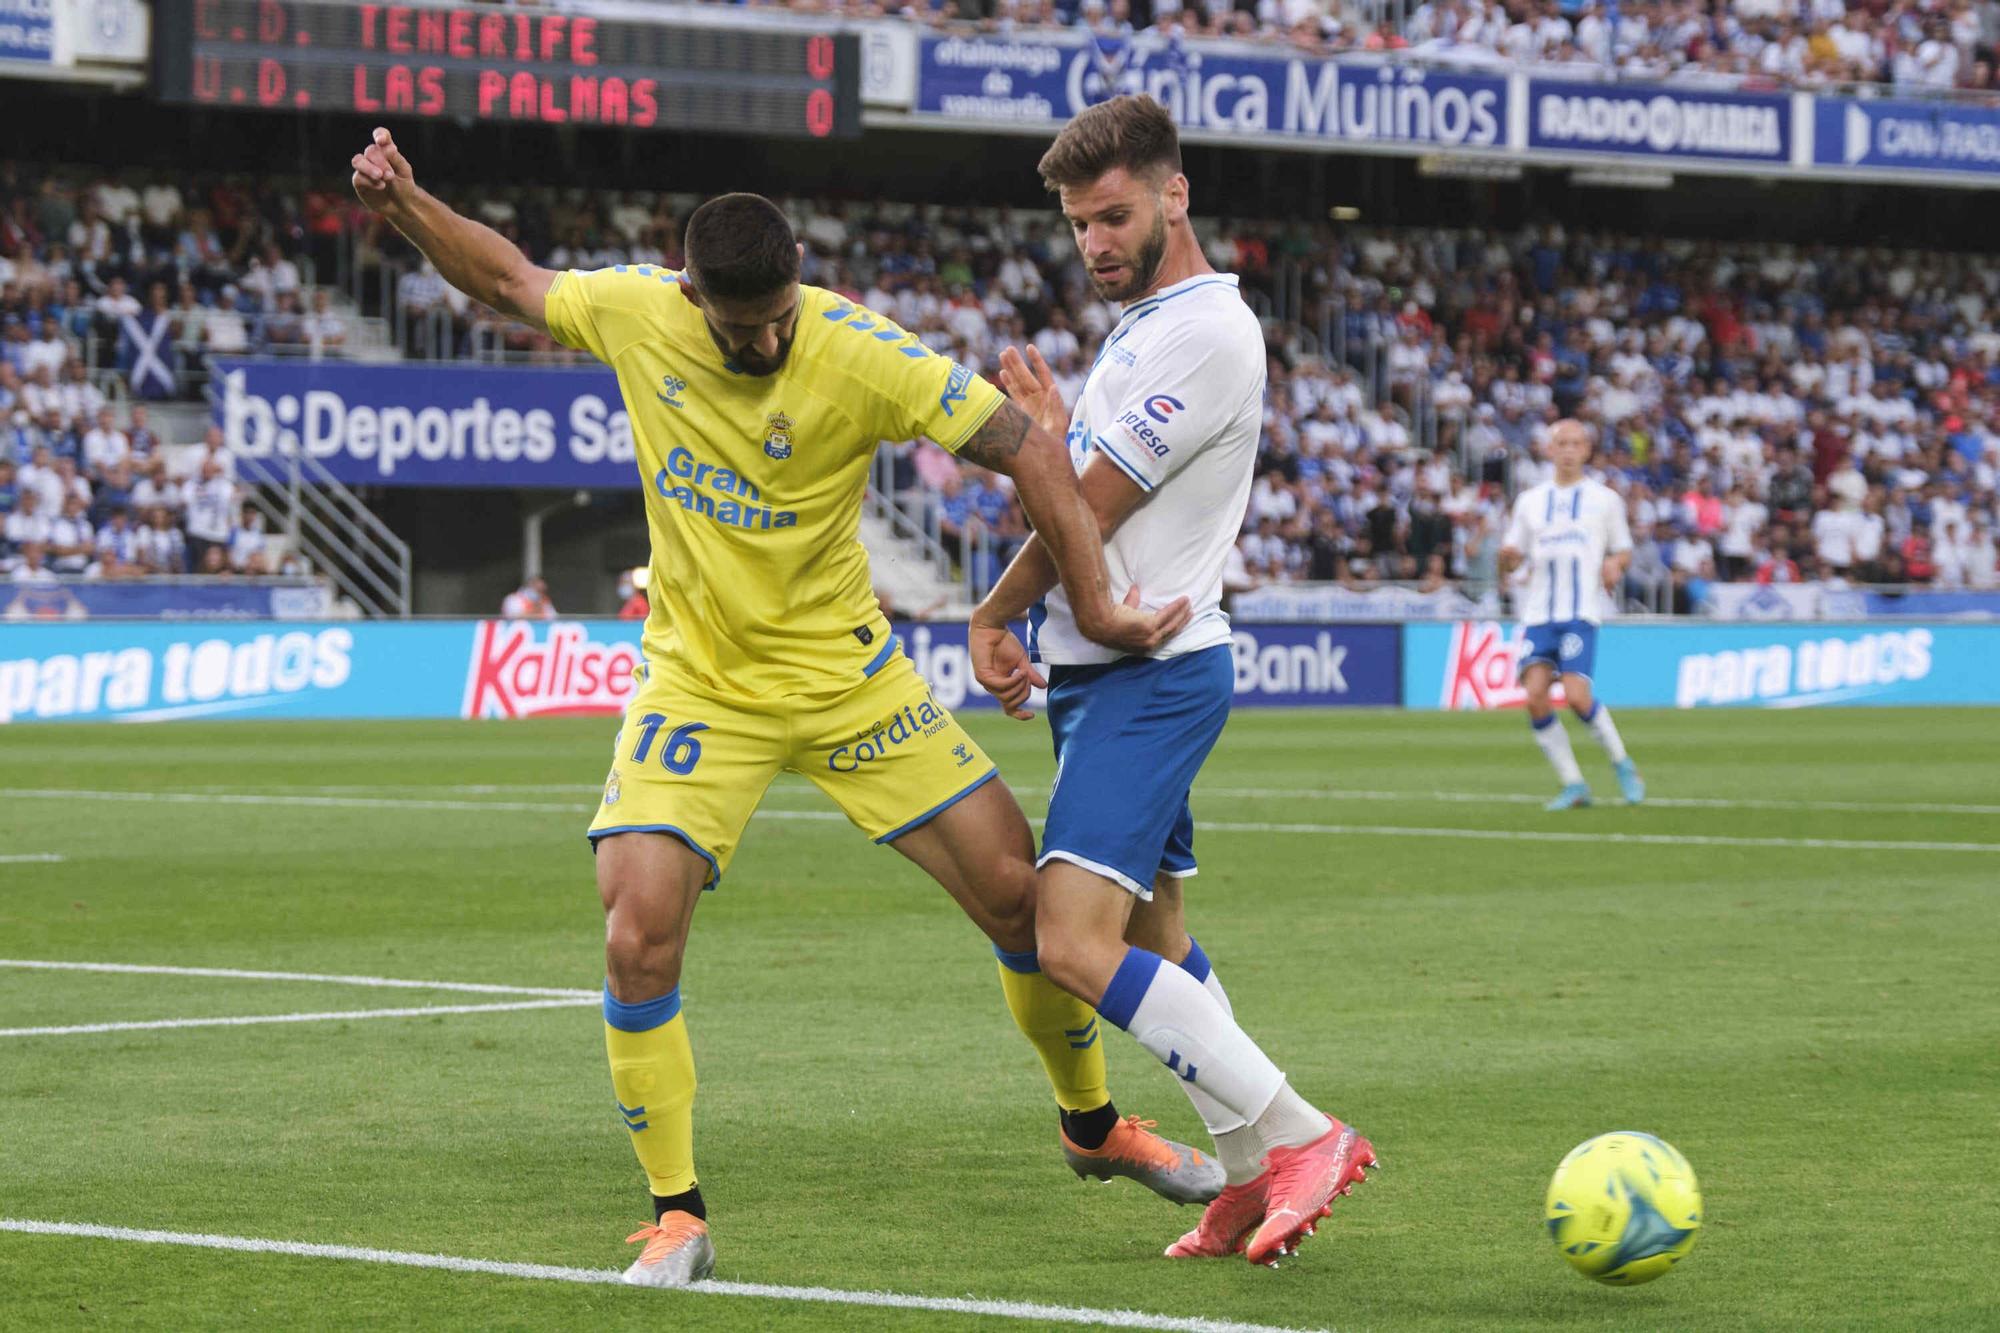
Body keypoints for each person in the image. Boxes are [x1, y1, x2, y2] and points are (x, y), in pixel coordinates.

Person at [350, 125, 1202, 1288]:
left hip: (851, 678)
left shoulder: (863, 350)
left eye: (773, 320)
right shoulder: (637, 309)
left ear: (797, 276)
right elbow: (504, 276)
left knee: (1018, 898)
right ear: (688, 291)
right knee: (635, 928)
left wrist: (1088, 602)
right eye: (732, 325)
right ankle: (675, 1214)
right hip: (700, 682)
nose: (756, 342)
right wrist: (405, 201)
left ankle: (1092, 1124)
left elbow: (1032, 454)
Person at [968, 96, 1375, 1270]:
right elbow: (1075, 507)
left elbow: (1087, 511)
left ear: (1173, 195)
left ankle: (1303, 1137)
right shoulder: (1142, 326)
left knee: (1069, 943)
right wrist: (1044, 463)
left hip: (1150, 672)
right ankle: (1247, 1173)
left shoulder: (1202, 330)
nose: (1093, 241)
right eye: (1077, 224)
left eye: (1113, 215)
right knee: (1159, 937)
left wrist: (997, 604)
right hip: (1107, 675)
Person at [1498, 418, 1643, 810]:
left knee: (1578, 698)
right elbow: (1511, 560)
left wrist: (1616, 565)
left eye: (1575, 443)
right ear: (1549, 449)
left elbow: (1623, 549)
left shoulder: (1604, 499)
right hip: (1539, 614)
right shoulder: (1530, 502)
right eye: (1560, 443)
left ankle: (1622, 762)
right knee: (1534, 697)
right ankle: (1574, 784)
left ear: (1586, 450)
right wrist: (1507, 560)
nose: (1567, 450)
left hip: (1580, 612)